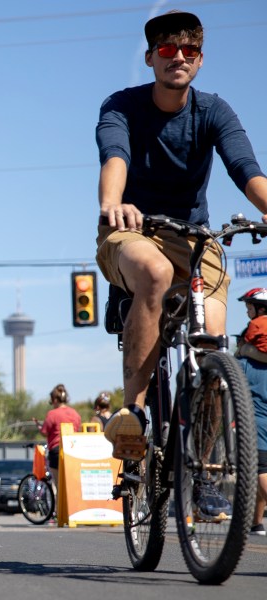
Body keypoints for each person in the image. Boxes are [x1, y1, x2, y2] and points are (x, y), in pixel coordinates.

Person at [95, 10, 267, 461]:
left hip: (194, 238)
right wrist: (113, 203)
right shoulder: (122, 106)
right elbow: (114, 157)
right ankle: (132, 412)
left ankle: (203, 463)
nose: (178, 58)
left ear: (200, 60)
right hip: (131, 229)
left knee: (212, 339)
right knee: (151, 272)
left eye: (188, 50)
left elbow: (248, 174)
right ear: (151, 57)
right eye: (168, 50)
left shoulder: (213, 111)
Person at [233, 289, 267, 536]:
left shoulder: (245, 363)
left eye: (249, 308)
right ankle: (255, 523)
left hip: (258, 423)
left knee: (262, 470)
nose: (247, 312)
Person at [36, 384, 82, 490]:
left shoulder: (52, 414)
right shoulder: (75, 414)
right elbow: (78, 430)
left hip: (57, 451)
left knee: (59, 486)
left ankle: (59, 506)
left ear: (55, 400)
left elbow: (44, 432)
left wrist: (39, 427)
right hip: (73, 451)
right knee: (71, 485)